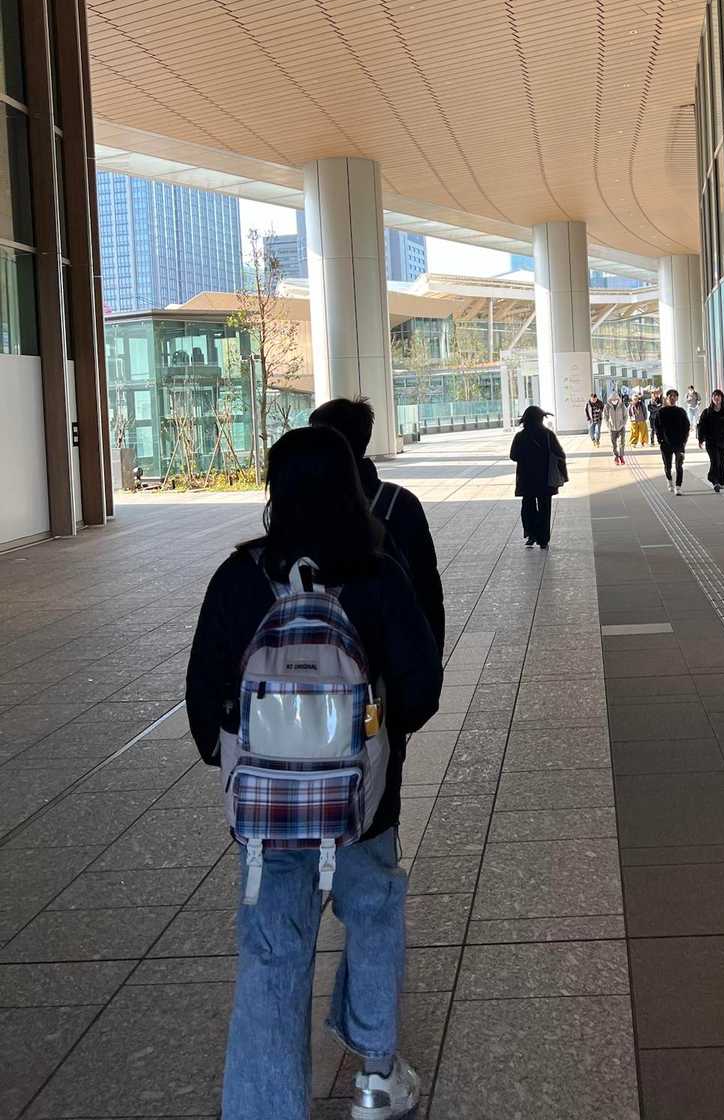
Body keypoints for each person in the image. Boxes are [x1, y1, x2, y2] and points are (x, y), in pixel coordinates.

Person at [185, 426, 443, 1120]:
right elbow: (421, 689)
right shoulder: (377, 575)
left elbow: (203, 697)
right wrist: (378, 740)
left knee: (272, 956)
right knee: (374, 918)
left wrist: (241, 759)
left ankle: (267, 1109)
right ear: (351, 486)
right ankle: (376, 1078)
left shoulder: (239, 579)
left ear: (276, 490)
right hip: (362, 807)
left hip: (267, 818)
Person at [310, 396, 445, 655]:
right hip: (389, 649)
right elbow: (427, 589)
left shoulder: (306, 508)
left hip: (340, 653)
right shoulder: (401, 502)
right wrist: (430, 655)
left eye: (316, 437)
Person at [510, 406, 567, 549]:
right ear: (540, 419)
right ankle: (543, 539)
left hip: (526, 478)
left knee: (527, 506)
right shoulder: (548, 435)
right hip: (545, 478)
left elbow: (513, 456)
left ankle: (531, 534)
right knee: (544, 507)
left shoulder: (520, 436)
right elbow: (560, 454)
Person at [697, 387, 724, 492]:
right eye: (714, 396)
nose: (716, 398)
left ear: (721, 398)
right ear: (712, 398)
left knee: (721, 462)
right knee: (715, 461)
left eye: (718, 396)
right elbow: (701, 426)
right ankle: (714, 481)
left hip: (723, 442)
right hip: (711, 442)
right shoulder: (707, 412)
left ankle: (721, 481)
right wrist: (700, 439)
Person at [654, 388, 691, 495]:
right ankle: (669, 481)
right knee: (668, 466)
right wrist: (660, 440)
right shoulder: (661, 412)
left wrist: (684, 440)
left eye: (674, 396)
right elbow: (657, 427)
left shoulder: (681, 411)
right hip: (665, 444)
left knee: (679, 465)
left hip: (679, 444)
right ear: (667, 398)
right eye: (670, 396)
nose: (672, 398)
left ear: (677, 398)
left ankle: (678, 487)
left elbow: (687, 426)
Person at [604, 389, 627, 465]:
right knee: (613, 444)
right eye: (613, 400)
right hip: (612, 428)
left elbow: (625, 416)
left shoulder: (622, 406)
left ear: (618, 399)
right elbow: (605, 416)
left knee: (622, 442)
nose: (614, 401)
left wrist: (623, 424)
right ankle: (616, 456)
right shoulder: (607, 406)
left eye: (616, 399)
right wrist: (608, 425)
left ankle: (621, 456)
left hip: (621, 428)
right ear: (610, 400)